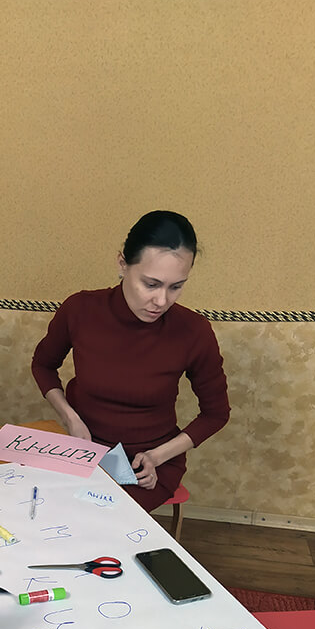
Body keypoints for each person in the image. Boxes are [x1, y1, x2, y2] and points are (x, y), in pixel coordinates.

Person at [31, 211, 230, 512]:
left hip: (148, 464)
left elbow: (216, 413)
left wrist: (157, 457)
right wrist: (71, 418)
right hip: (84, 449)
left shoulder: (193, 331)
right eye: (151, 284)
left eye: (176, 287)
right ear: (122, 264)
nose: (161, 301)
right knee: (41, 509)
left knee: (101, 520)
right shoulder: (80, 310)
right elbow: (43, 365)